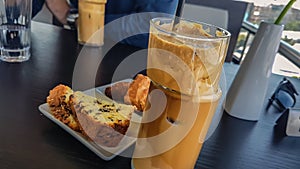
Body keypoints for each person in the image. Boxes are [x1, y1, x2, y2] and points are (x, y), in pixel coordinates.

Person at [33, 0, 179, 48]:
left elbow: (152, 27)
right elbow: (17, 16)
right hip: (68, 53)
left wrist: (73, 19)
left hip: (128, 71)